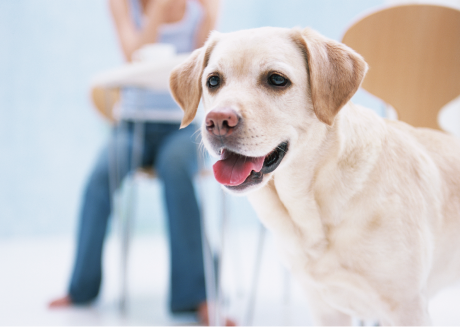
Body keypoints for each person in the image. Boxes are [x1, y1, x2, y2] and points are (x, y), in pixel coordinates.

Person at [49, 0, 224, 324]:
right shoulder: (121, 5)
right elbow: (132, 57)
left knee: (175, 170)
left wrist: (212, 14)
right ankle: (81, 288)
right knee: (101, 177)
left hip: (182, 127)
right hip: (131, 125)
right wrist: (158, 8)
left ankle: (199, 295)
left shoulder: (197, 8)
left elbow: (202, 68)